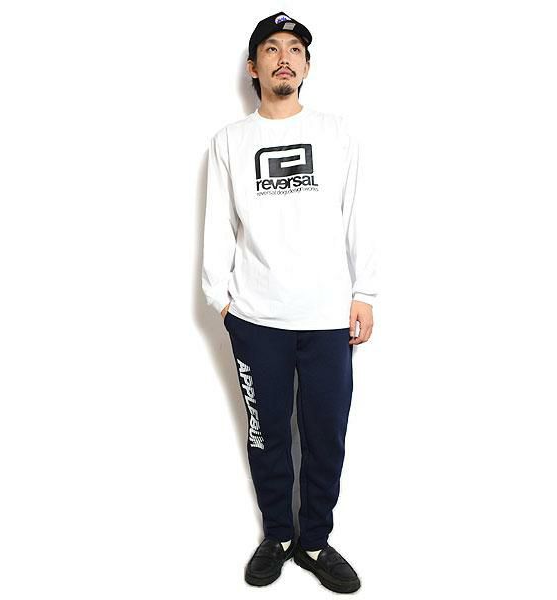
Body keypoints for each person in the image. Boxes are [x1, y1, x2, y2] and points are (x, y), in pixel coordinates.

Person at [201, 11, 377, 594]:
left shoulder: (337, 134)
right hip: (256, 319)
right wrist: (221, 301)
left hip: (328, 318)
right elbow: (219, 226)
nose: (285, 57)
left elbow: (359, 215)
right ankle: (277, 535)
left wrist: (364, 292)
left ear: (307, 65)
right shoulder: (230, 141)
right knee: (267, 435)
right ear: (253, 68)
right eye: (272, 49)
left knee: (325, 434)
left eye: (296, 49)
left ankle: (314, 541)